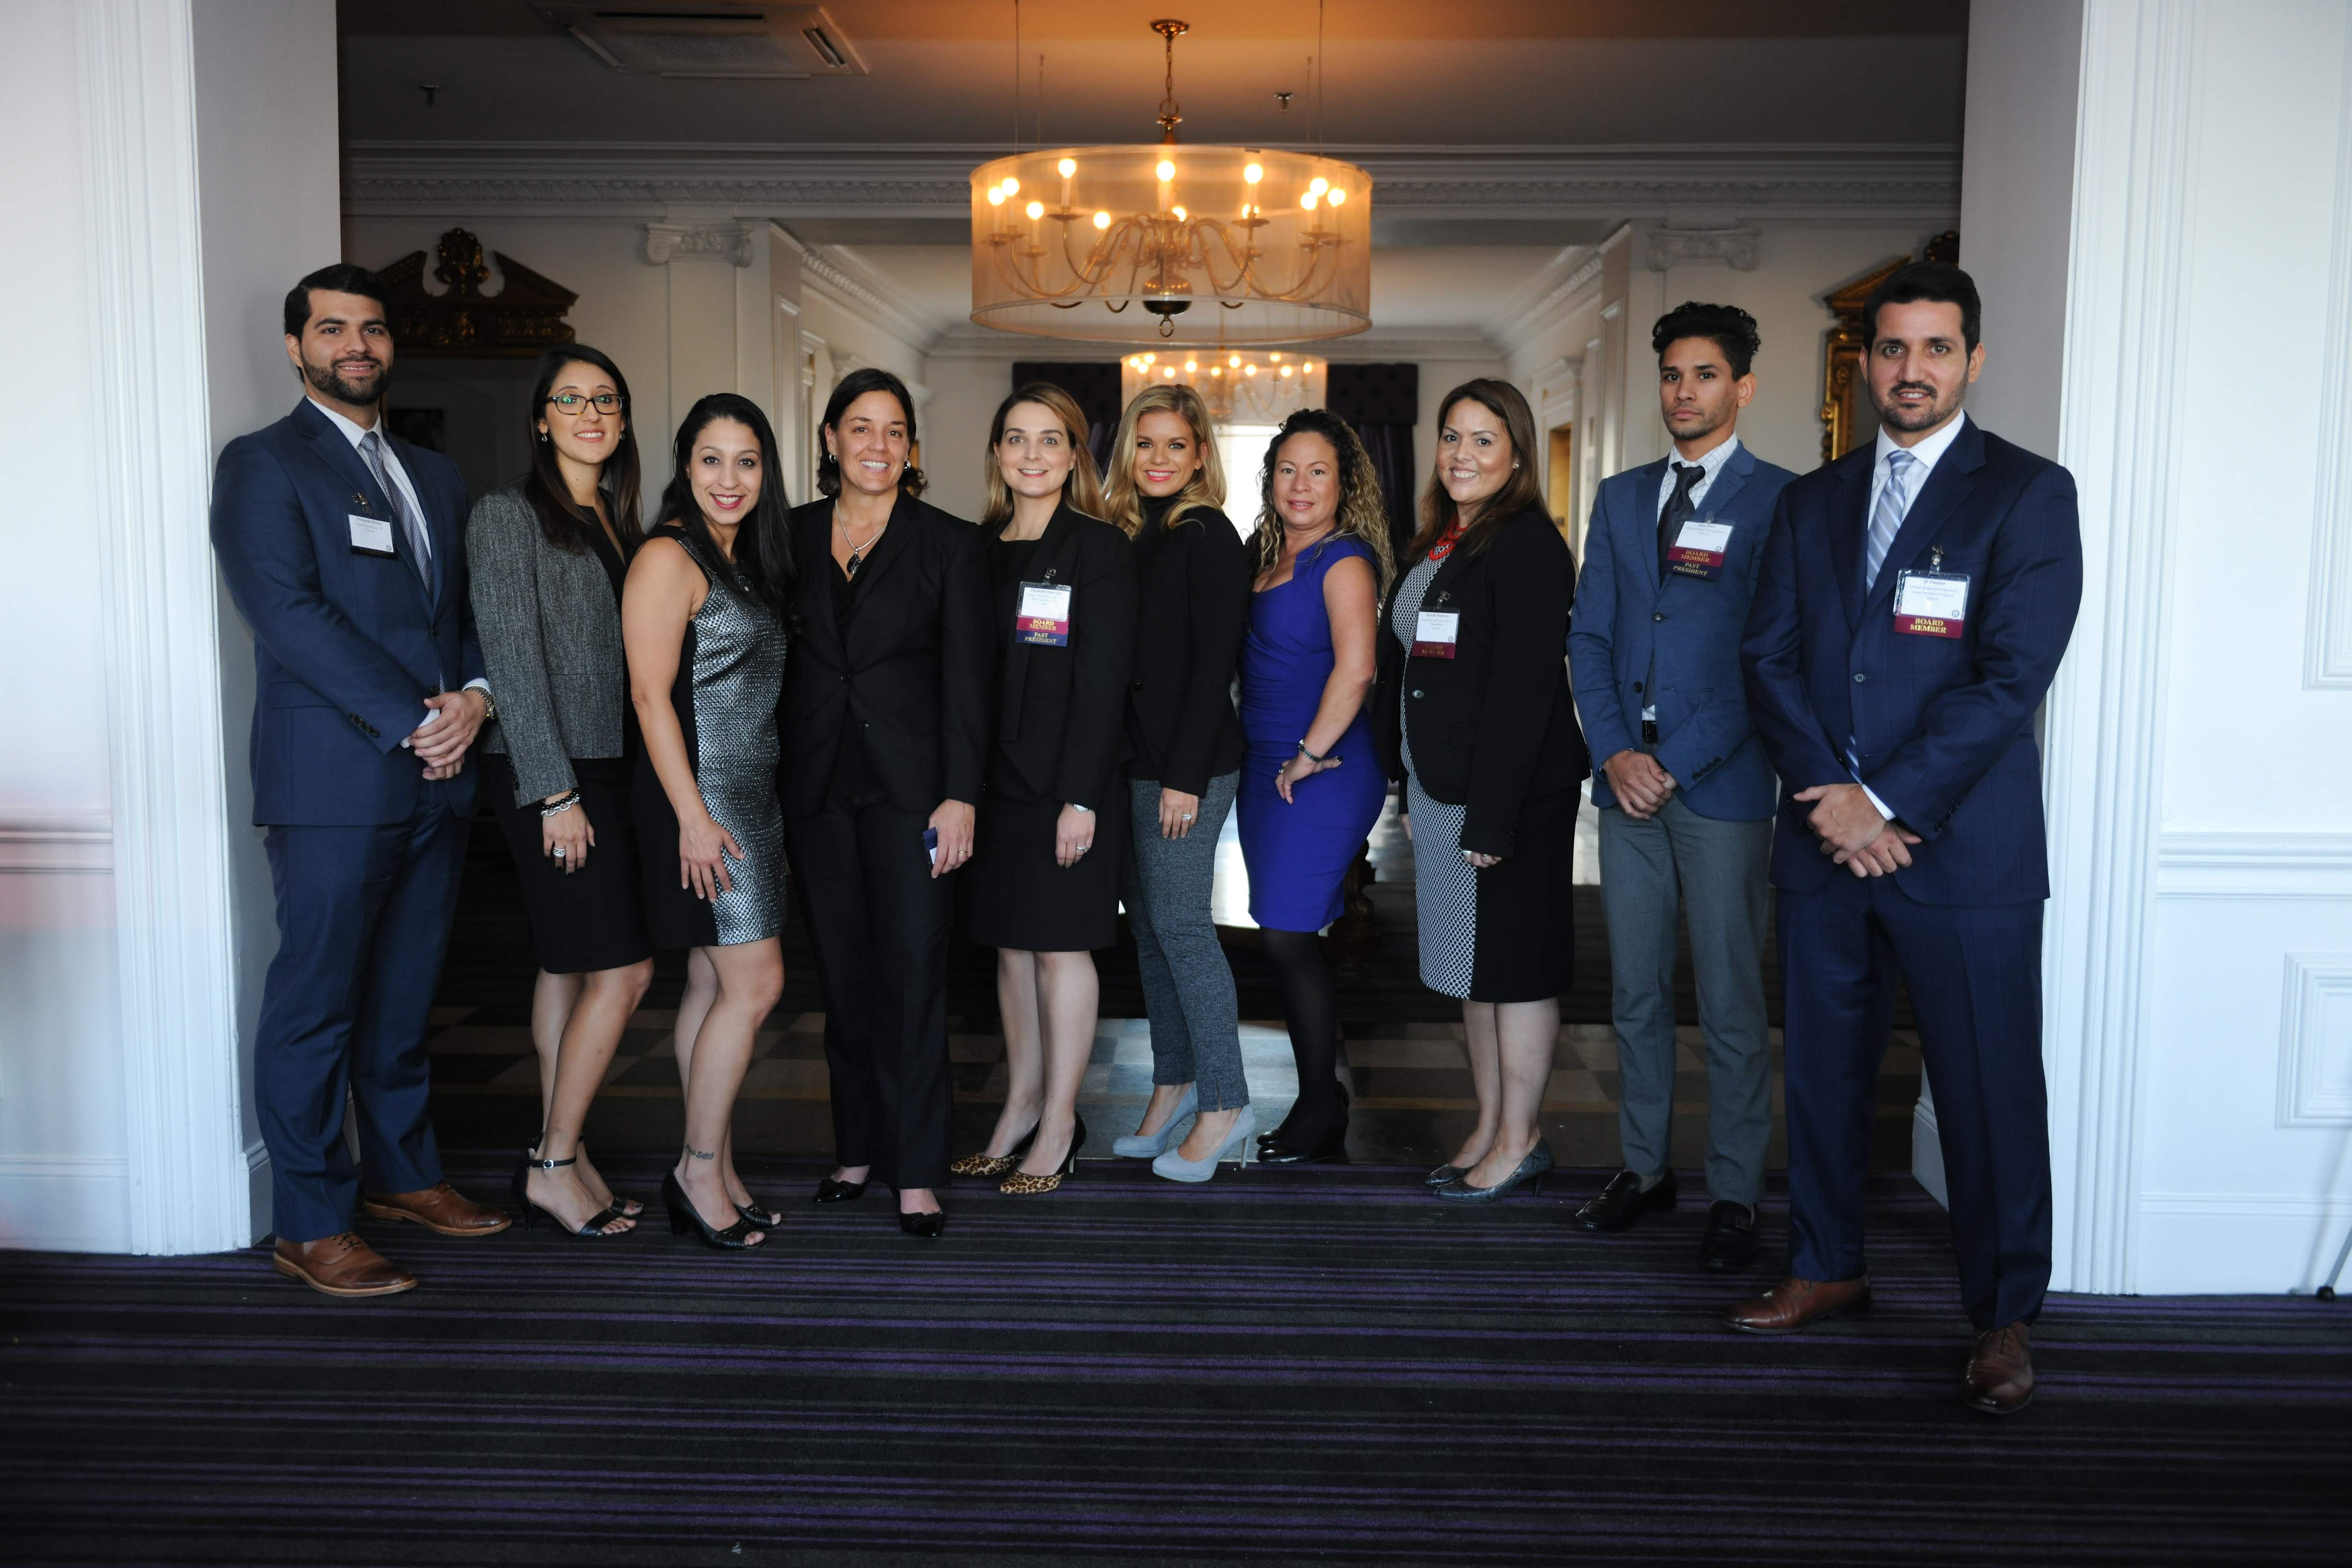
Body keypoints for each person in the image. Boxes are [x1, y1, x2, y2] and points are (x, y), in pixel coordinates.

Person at [1731, 261, 2083, 1416]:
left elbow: (2009, 675)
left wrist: (1886, 805)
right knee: (1824, 1076)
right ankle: (1827, 1264)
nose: (1912, 370)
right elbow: (1767, 659)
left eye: (1936, 350)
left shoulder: (2028, 494)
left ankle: (2002, 1316)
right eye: (1893, 350)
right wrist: (1832, 795)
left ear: (1971, 360)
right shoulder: (1811, 500)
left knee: (1986, 1091)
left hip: (1961, 855)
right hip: (1824, 848)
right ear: (1866, 362)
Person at [210, 263, 509, 1298]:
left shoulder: (433, 474)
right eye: (332, 329)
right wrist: (409, 722)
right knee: (317, 1003)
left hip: (438, 773)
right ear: (296, 348)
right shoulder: (262, 465)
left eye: (373, 329)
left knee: (403, 999)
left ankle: (405, 1175)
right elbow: (290, 616)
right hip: (336, 781)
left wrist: (472, 694)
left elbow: (460, 609)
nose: (357, 346)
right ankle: (310, 1220)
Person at [1566, 305, 1795, 1267]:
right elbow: (1590, 636)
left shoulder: (1783, 500)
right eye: (1670, 375)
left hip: (1722, 787)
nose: (1683, 392)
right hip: (1627, 789)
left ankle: (1735, 1189)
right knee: (1635, 990)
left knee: (1734, 1000)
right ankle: (1645, 1166)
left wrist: (1673, 763)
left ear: (1742, 386)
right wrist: (1617, 755)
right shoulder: (1620, 498)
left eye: (1703, 375)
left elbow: (1770, 655)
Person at [778, 369, 992, 1240]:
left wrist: (962, 794)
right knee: (843, 977)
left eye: (893, 430)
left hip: (915, 793)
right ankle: (855, 1149)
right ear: (829, 440)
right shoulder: (783, 535)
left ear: (911, 448)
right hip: (817, 786)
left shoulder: (949, 543)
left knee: (912, 977)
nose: (876, 444)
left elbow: (971, 680)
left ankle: (915, 1168)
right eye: (858, 428)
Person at [1373, 379, 1587, 1204]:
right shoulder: (1440, 541)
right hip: (1444, 786)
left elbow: (1523, 690)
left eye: (1483, 440)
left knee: (1515, 968)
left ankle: (1522, 1136)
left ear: (1517, 453)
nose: (1462, 455)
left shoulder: (1526, 544)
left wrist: (1491, 815)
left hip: (1509, 794)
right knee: (1468, 967)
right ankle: (1491, 1122)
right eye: (1451, 437)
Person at [467, 345, 654, 1239]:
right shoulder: (507, 515)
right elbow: (511, 659)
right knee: (623, 968)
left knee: (567, 962)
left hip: (614, 765)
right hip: (555, 773)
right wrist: (552, 792)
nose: (590, 414)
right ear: (541, 416)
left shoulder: (620, 517)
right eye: (570, 400)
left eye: (605, 400)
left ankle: (564, 1147)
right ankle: (550, 1163)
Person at [949, 385, 1138, 1195]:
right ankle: (1020, 1101)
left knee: (1062, 947)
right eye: (1016, 439)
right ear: (996, 453)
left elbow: (1105, 685)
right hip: (993, 786)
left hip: (1066, 785)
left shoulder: (1099, 548)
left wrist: (1083, 797)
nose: (1032, 454)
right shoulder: (978, 549)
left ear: (1073, 456)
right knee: (1011, 948)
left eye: (1050, 440)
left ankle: (1060, 1121)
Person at [623, 393, 796, 1252]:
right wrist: (692, 816)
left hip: (747, 797)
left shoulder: (743, 560)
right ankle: (696, 1169)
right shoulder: (668, 555)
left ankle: (715, 1165)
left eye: (747, 461)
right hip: (706, 803)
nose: (729, 479)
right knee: (754, 985)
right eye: (711, 460)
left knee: (710, 984)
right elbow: (650, 696)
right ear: (684, 465)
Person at [1101, 385, 1256, 1182]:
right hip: (1136, 763)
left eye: (1175, 445)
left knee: (1184, 928)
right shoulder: (1136, 532)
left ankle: (1226, 1101)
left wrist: (1184, 779)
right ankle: (1173, 1081)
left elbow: (1211, 666)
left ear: (1200, 454)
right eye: (1145, 444)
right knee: (1153, 930)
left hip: (1184, 768)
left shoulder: (1206, 534)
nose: (1158, 459)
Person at [1236, 408, 1393, 1166]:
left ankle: (1318, 1106)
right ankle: (1320, 1097)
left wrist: (1305, 753)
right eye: (1287, 469)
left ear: (1344, 483)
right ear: (1269, 480)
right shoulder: (1265, 555)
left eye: (1318, 471)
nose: (1300, 485)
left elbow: (1356, 668)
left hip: (1319, 770)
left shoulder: (1343, 560)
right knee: (1283, 934)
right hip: (1269, 767)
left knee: (1289, 936)